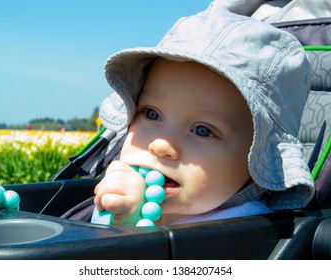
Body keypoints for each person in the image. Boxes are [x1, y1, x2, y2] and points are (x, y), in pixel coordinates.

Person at [92, 6, 315, 226]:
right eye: (152, 114)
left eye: (203, 130)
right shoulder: (118, 193)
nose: (161, 146)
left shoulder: (242, 230)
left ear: (256, 163)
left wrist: (127, 230)